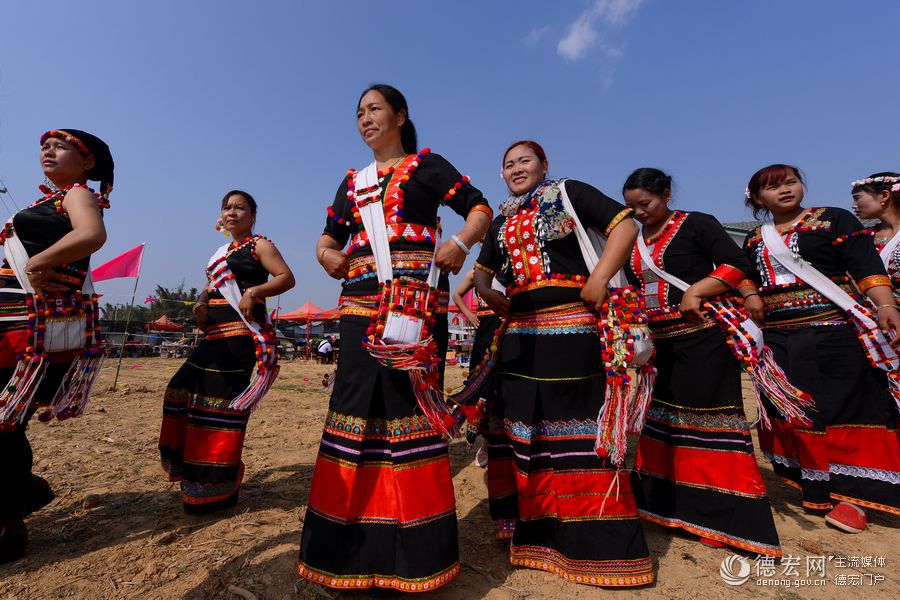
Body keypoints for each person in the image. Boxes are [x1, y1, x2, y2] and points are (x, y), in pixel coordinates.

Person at [298, 84, 492, 593]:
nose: (364, 118)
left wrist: (459, 242)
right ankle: (346, 551)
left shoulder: (429, 166)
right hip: (360, 307)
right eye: (359, 111)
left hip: (415, 307)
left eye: (374, 109)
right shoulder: (352, 182)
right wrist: (325, 256)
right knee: (354, 406)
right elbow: (327, 237)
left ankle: (418, 555)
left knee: (409, 410)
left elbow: (479, 207)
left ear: (400, 116)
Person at [474, 140, 653, 587]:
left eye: (525, 160)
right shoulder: (501, 219)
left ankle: (593, 545)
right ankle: (530, 533)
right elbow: (482, 270)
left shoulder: (569, 192)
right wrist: (486, 289)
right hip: (519, 336)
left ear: (544, 165)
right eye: (508, 163)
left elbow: (625, 226)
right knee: (522, 429)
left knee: (572, 424)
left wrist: (597, 278)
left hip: (572, 326)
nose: (517, 168)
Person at [621, 168, 781, 555]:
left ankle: (725, 517)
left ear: (667, 194)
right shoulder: (631, 241)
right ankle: (664, 508)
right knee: (664, 425)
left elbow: (736, 261)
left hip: (704, 339)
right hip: (662, 348)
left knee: (711, 423)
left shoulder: (696, 224)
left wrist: (698, 289)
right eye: (632, 207)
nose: (640, 212)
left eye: (646, 204)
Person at [740, 164, 900, 533]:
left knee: (845, 410)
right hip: (778, 340)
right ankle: (818, 488)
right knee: (798, 413)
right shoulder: (754, 239)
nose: (784, 191)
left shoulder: (834, 220)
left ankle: (854, 499)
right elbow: (744, 275)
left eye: (791, 182)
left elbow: (864, 265)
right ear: (757, 198)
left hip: (832, 333)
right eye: (773, 187)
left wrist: (886, 304)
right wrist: (749, 294)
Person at [0, 129, 113, 562]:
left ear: (86, 163)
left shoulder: (78, 195)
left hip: (29, 331)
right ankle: (20, 496)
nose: (47, 151)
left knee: (6, 423)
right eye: (43, 146)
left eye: (60, 146)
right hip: (12, 323)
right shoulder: (42, 203)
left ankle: (10, 517)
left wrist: (40, 262)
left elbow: (92, 235)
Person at [159, 190, 294, 513]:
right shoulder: (218, 254)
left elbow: (286, 278)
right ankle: (191, 468)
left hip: (240, 338)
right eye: (227, 207)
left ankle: (217, 485)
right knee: (180, 388)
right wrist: (201, 306)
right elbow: (209, 288)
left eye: (240, 207)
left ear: (252, 216)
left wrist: (256, 291)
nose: (232, 212)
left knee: (219, 408)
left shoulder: (260, 245)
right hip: (213, 337)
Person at [452, 268, 502, 468]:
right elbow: (457, 295)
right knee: (481, 387)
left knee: (504, 384)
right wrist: (469, 314)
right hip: (485, 330)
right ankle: (486, 442)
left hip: (507, 325)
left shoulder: (508, 267)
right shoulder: (474, 272)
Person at [852, 172, 900, 298]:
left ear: (884, 195)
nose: (853, 205)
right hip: (875, 310)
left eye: (857, 198)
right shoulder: (864, 236)